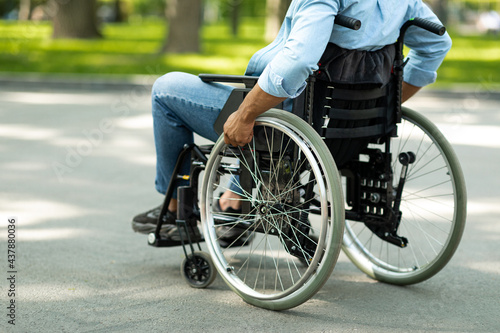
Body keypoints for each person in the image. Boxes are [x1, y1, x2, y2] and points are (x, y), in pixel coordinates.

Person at [132, 0, 452, 240]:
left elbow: (297, 62)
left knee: (166, 89)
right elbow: (438, 44)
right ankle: (234, 202)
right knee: (266, 111)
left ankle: (177, 210)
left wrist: (245, 115)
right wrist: (384, 106)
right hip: (346, 130)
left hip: (293, 122)